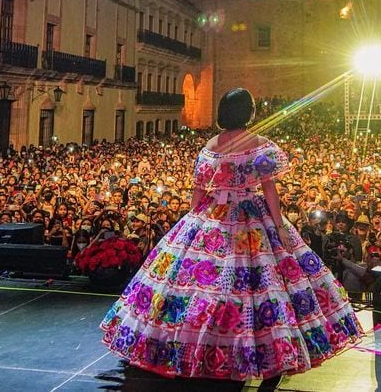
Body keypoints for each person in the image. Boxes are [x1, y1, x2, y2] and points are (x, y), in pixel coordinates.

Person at [101, 88, 362, 381]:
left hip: (210, 215)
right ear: (248, 113)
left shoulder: (209, 147)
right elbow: (269, 190)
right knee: (256, 286)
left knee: (199, 284)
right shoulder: (259, 146)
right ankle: (252, 351)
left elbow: (198, 191)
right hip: (251, 216)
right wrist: (280, 227)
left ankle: (191, 349)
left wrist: (192, 224)